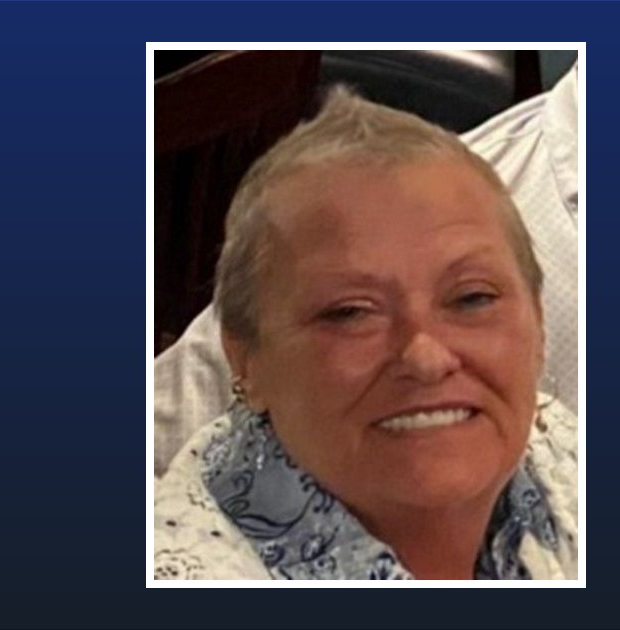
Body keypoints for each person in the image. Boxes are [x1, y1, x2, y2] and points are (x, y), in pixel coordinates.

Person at [153, 87, 578, 580]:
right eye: (352, 313)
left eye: (472, 298)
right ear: (244, 357)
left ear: (538, 323)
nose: (427, 357)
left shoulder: (552, 442)